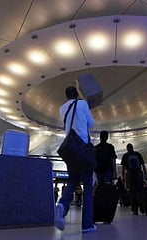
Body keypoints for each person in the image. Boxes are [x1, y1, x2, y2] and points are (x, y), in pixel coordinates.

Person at [54, 86, 97, 233]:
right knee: (88, 186)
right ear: (77, 94)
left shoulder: (62, 109)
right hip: (83, 148)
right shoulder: (83, 103)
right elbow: (91, 123)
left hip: (70, 149)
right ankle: (87, 225)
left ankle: (62, 205)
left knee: (72, 181)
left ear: (66, 96)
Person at [120, 143, 147, 215]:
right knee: (140, 191)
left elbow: (123, 167)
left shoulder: (125, 155)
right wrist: (145, 174)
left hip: (130, 174)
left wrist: (123, 177)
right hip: (138, 173)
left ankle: (135, 209)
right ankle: (142, 207)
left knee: (132, 192)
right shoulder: (137, 154)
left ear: (127, 148)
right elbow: (143, 165)